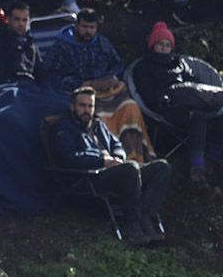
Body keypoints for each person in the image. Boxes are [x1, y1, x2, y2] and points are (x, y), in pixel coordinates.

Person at [51, 86, 170, 244]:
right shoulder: (63, 128)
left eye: (90, 106)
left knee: (161, 167)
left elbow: (117, 144)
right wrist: (102, 160)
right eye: (82, 105)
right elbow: (67, 158)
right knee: (130, 169)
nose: (87, 110)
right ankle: (131, 226)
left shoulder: (98, 125)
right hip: (88, 177)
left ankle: (146, 216)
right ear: (72, 106)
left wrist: (116, 157)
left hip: (114, 169)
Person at [45, 8, 152, 160]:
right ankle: (108, 160)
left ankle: (135, 159)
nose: (88, 31)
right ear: (76, 26)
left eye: (92, 28)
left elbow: (118, 64)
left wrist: (110, 78)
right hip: (81, 95)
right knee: (99, 117)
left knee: (131, 107)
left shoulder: (102, 42)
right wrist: (84, 83)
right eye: (84, 27)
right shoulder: (61, 46)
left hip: (108, 91)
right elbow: (50, 75)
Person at [133, 21, 223, 185]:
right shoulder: (143, 67)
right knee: (191, 101)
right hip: (168, 106)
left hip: (192, 101)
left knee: (205, 109)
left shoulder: (179, 63)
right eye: (160, 44)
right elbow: (148, 94)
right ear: (153, 45)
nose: (164, 48)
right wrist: (165, 98)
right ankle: (197, 167)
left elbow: (195, 80)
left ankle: (214, 156)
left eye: (167, 45)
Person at [0, 0, 44, 84]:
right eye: (17, 19)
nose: (21, 24)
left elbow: (41, 74)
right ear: (8, 19)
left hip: (30, 89)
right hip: (6, 89)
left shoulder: (31, 45)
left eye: (24, 20)